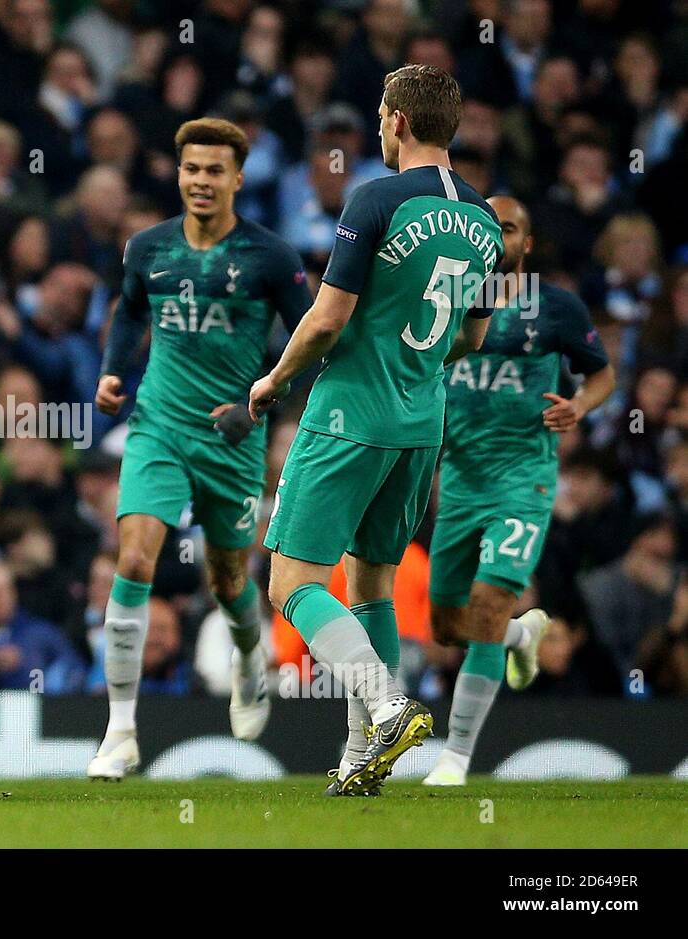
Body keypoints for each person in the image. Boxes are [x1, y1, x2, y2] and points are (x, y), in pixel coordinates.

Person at [248, 65, 503, 796]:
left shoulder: (376, 198)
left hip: (348, 414)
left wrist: (274, 380)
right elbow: (472, 339)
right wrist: (413, 358)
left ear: (396, 120)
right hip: (422, 422)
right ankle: (362, 754)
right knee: (371, 584)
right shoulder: (484, 216)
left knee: (291, 581)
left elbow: (327, 318)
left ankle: (387, 706)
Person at [88, 116, 312, 780]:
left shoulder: (271, 257)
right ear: (179, 174)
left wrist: (257, 403)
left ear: (238, 178)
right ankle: (120, 730)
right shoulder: (148, 247)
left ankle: (250, 656)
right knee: (133, 558)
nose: (201, 181)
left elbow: (313, 341)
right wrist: (112, 370)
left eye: (215, 170)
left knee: (228, 577)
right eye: (191, 169)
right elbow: (130, 309)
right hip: (158, 425)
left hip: (233, 439)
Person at [424, 195, 615, 786]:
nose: (499, 238)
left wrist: (580, 404)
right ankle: (521, 633)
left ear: (525, 244)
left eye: (509, 228)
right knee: (445, 627)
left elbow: (602, 373)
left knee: (485, 605)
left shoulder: (553, 307)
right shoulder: (442, 299)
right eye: (489, 227)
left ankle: (455, 757)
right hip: (456, 482)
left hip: (522, 480)